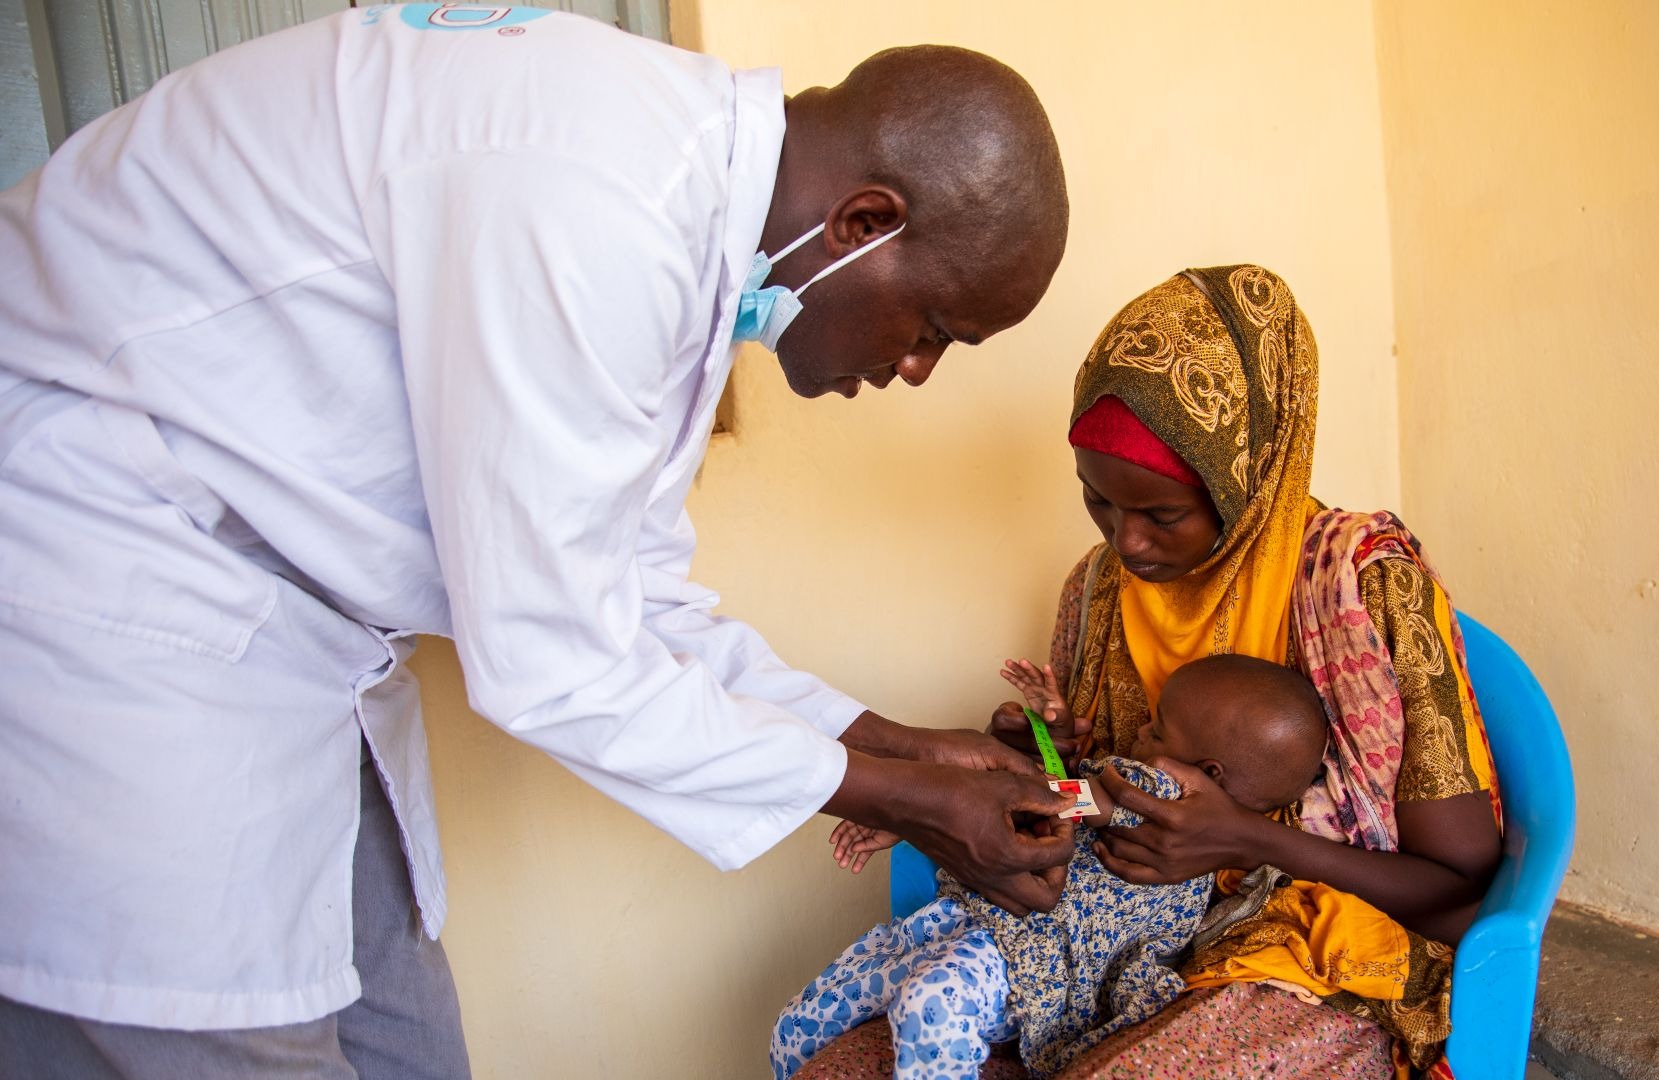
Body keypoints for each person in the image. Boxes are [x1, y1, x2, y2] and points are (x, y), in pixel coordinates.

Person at [0, 7, 1077, 1076]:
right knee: (212, 1028)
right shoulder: (600, 206)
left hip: (272, 621)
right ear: (861, 223)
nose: (918, 369)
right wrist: (909, 800)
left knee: (404, 1045)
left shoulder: (679, 206)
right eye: (935, 328)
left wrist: (894, 741)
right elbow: (557, 659)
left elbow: (631, 596)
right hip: (102, 565)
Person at [814, 265, 1504, 1079]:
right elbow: (1108, 790)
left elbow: (1460, 891)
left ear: (1249, 478)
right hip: (1107, 938)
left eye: (1161, 513)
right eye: (1098, 502)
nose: (1126, 544)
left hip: (1310, 961)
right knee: (844, 1062)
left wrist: (1242, 838)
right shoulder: (1099, 589)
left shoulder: (1364, 587)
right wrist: (1030, 758)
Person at [777, 654, 1330, 1080]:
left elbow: (1066, 798)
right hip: (978, 934)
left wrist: (935, 798)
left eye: (1158, 729)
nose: (1140, 731)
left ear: (1207, 772)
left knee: (909, 1006)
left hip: (1023, 959)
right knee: (800, 1026)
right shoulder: (1205, 842)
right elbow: (1063, 795)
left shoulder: (1165, 795)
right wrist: (1045, 733)